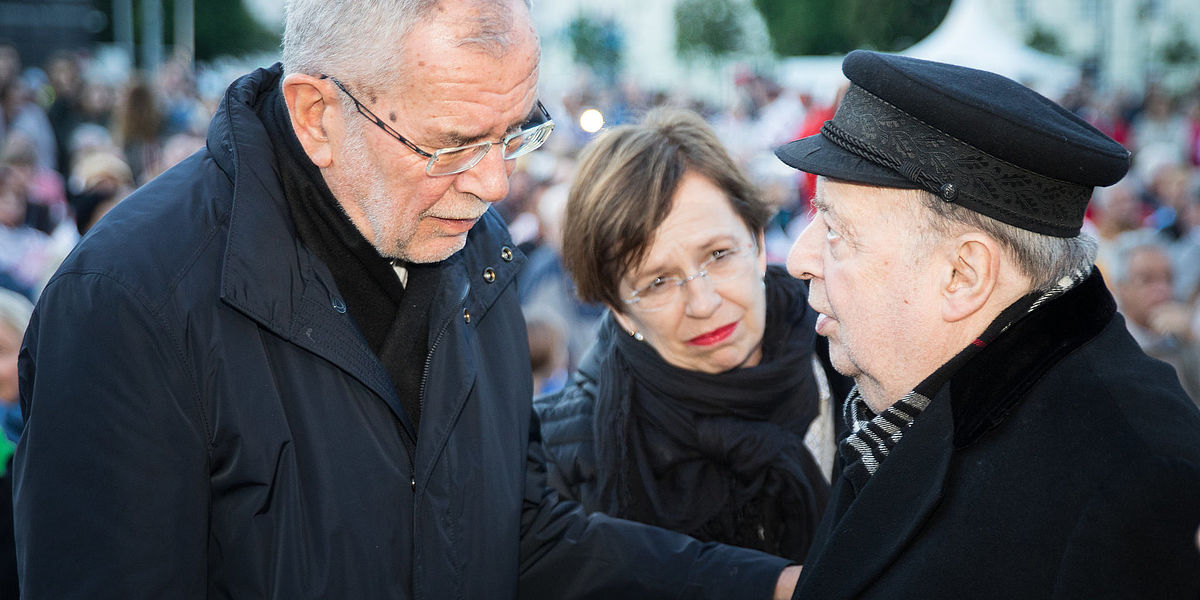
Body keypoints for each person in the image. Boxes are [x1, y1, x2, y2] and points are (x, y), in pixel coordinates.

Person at [15, 1, 802, 598]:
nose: (494, 183)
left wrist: (764, 584)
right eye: (453, 145)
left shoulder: (476, 250)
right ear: (317, 116)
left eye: (514, 133)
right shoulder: (129, 303)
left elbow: (514, 532)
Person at [775, 50, 1200, 598]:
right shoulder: (924, 384)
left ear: (962, 274)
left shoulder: (1134, 484)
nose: (799, 259)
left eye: (835, 229)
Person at [535, 108, 843, 563]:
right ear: (620, 311)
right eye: (657, 281)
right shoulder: (553, 463)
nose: (702, 303)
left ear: (758, 244)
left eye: (718, 254)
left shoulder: (859, 358)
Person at [1111, 240, 1200, 402]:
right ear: (1122, 288)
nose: (1162, 288)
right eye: (1147, 280)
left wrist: (1191, 341)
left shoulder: (1180, 333)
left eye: (1168, 279)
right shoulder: (1111, 340)